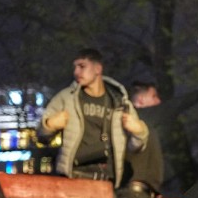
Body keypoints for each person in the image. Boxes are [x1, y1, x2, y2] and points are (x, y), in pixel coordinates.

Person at [37, 48, 149, 187]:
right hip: (74, 176)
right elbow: (41, 137)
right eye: (75, 67)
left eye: (82, 66)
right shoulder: (67, 98)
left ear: (97, 69)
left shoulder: (119, 101)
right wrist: (49, 125)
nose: (76, 72)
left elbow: (136, 148)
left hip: (108, 178)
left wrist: (139, 132)